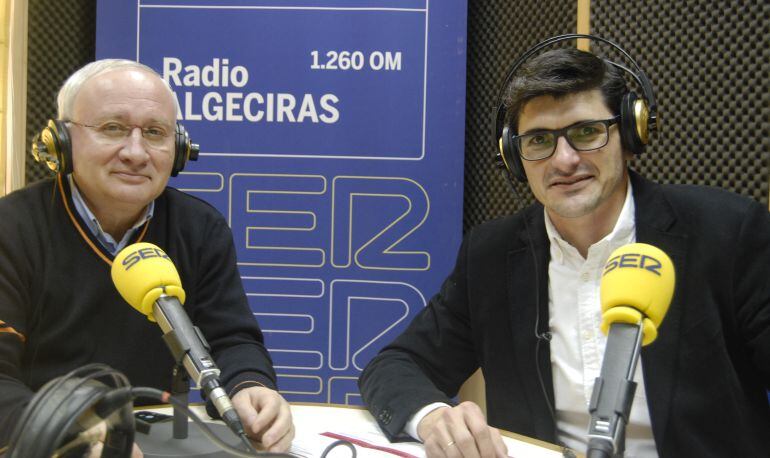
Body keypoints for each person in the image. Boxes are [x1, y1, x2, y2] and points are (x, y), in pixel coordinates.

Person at [358, 44, 770, 457]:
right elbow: (394, 366)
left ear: (630, 134)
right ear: (515, 157)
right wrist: (433, 417)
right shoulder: (491, 255)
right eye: (539, 140)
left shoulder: (726, 233)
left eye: (587, 132)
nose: (564, 160)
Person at [0, 59, 294, 453]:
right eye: (113, 129)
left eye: (155, 133)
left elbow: (230, 338)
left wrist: (250, 385)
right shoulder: (11, 228)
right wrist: (70, 432)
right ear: (61, 141)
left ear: (178, 149)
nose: (136, 153)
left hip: (155, 443)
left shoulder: (199, 228)